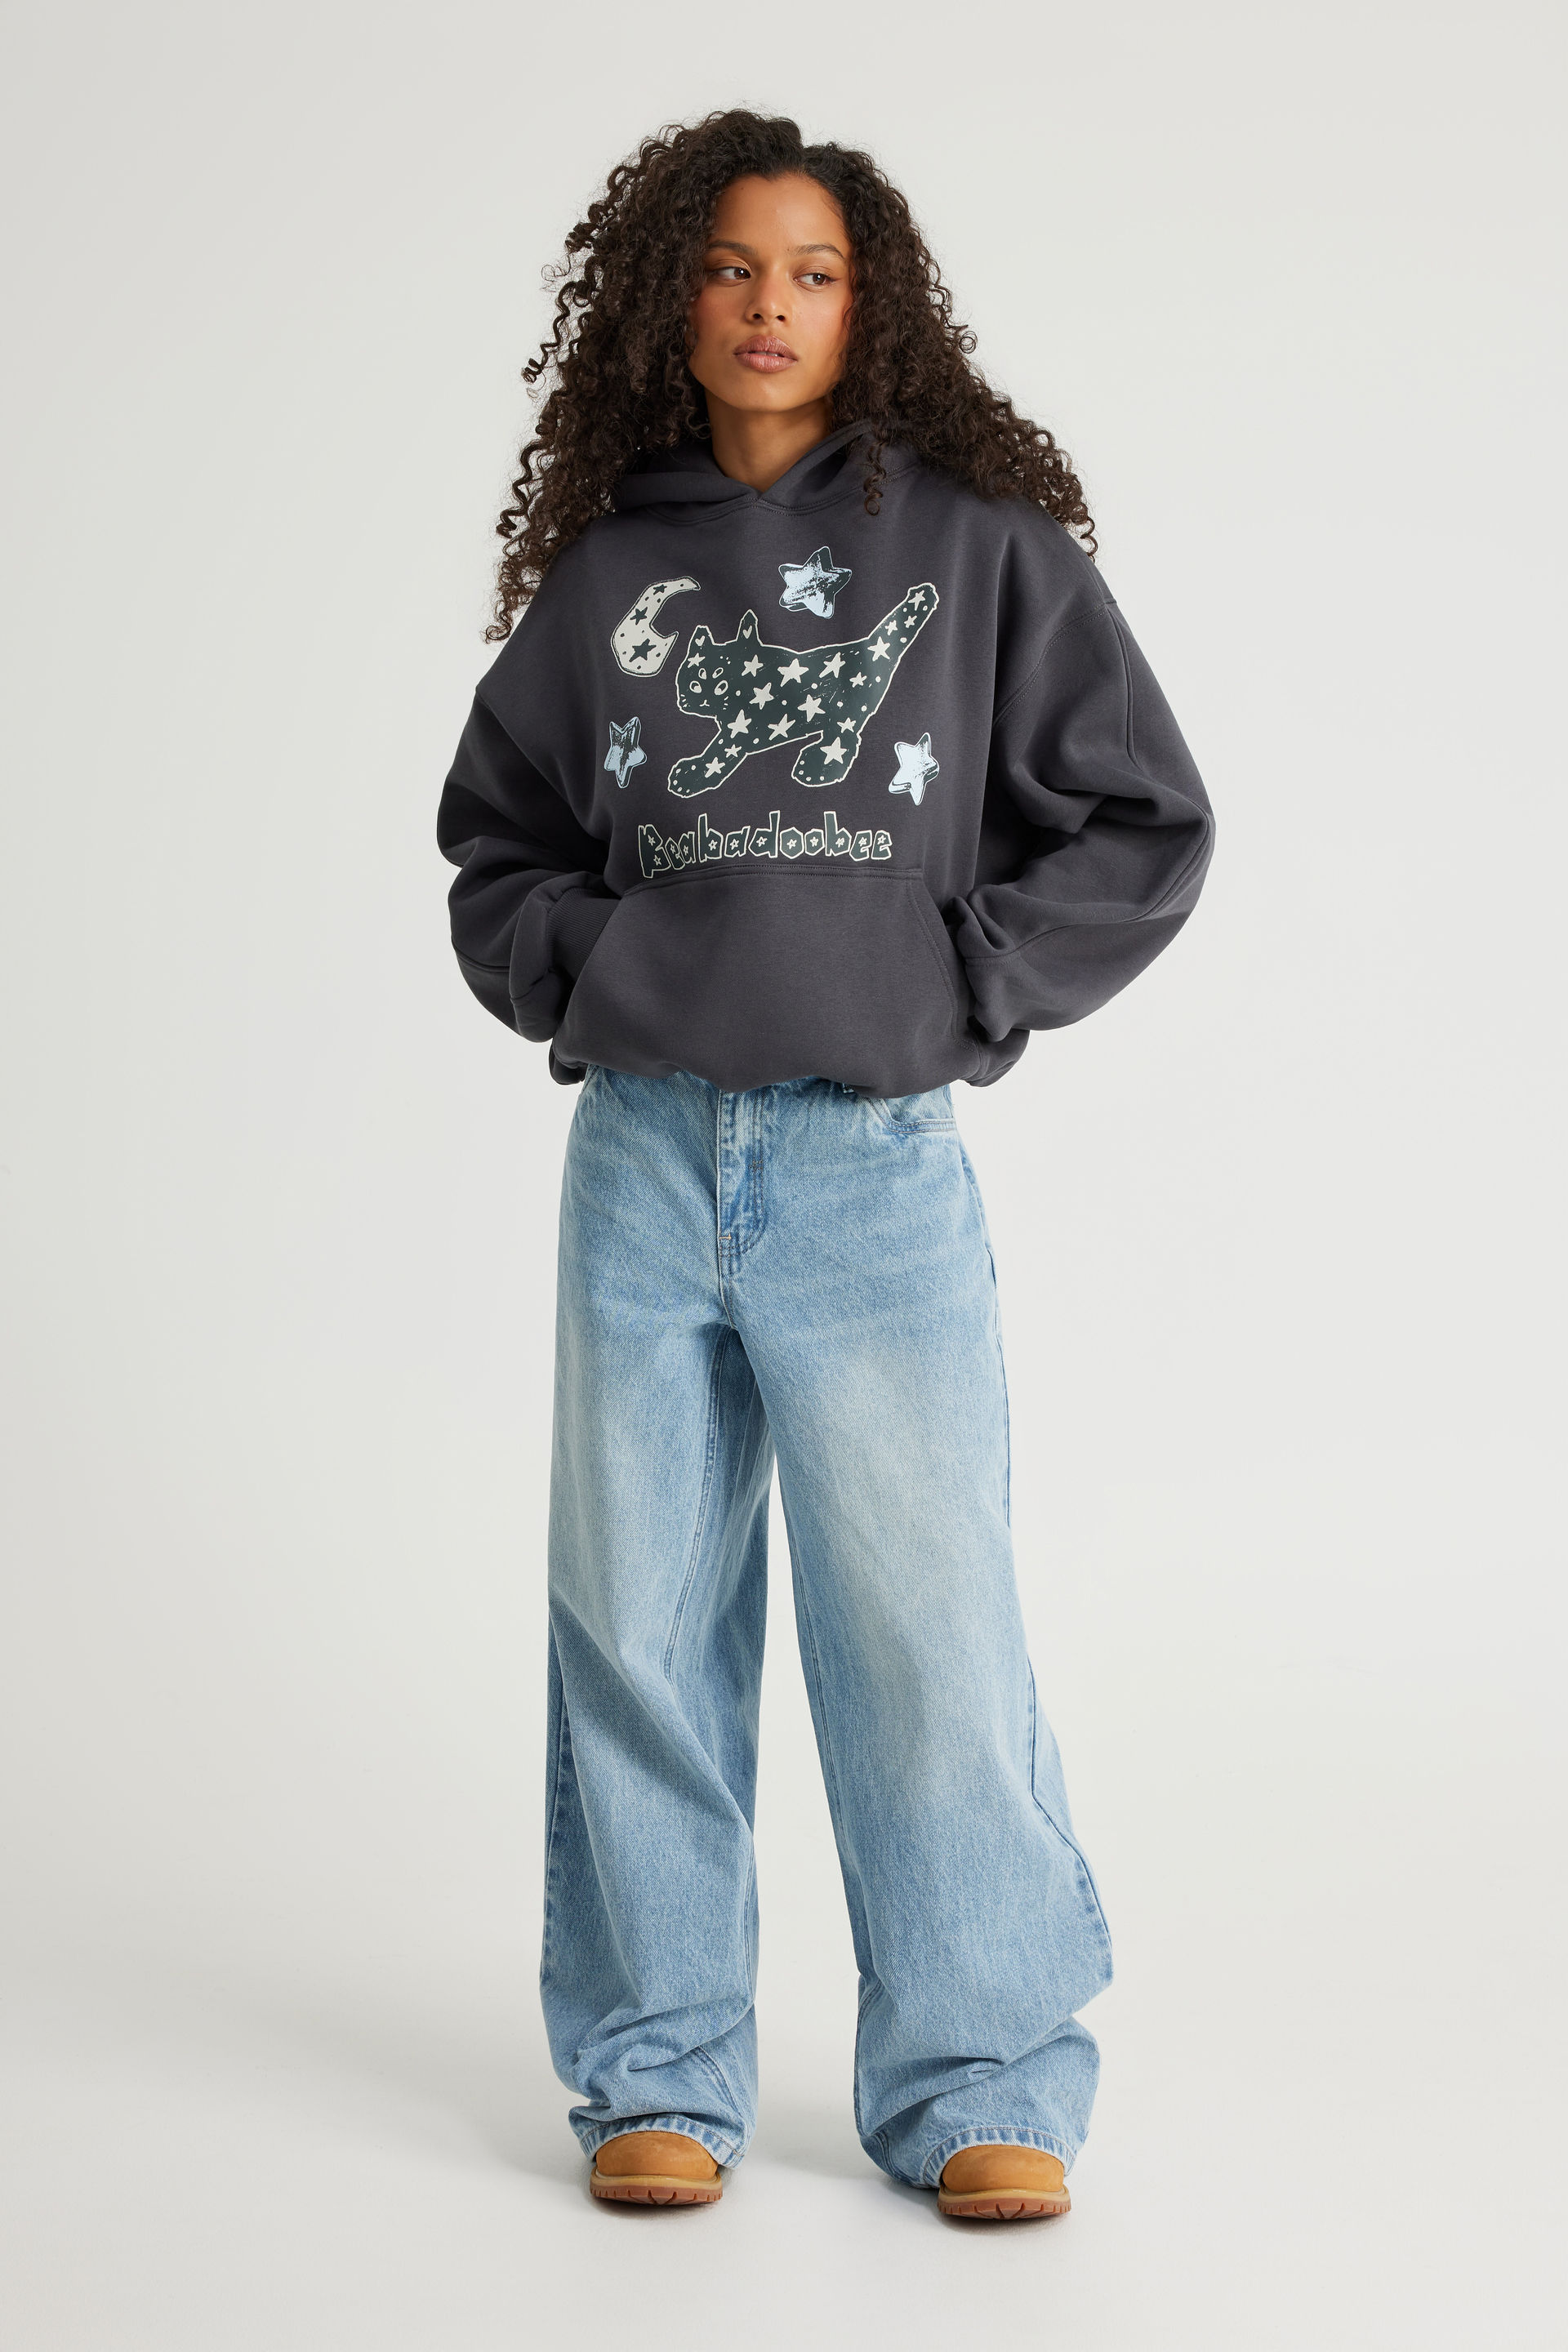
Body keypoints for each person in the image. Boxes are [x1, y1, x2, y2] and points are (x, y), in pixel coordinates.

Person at [436, 109, 1214, 2222]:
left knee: (926, 1623)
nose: (769, 305)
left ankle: (982, 2074)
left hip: (874, 1167)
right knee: (635, 1619)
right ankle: (657, 2065)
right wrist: (594, 968)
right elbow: (496, 843)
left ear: (873, 309)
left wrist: (959, 982)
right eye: (730, 267)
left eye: (814, 272)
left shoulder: (976, 551)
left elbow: (1142, 822)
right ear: (667, 303)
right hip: (645, 1160)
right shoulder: (610, 575)